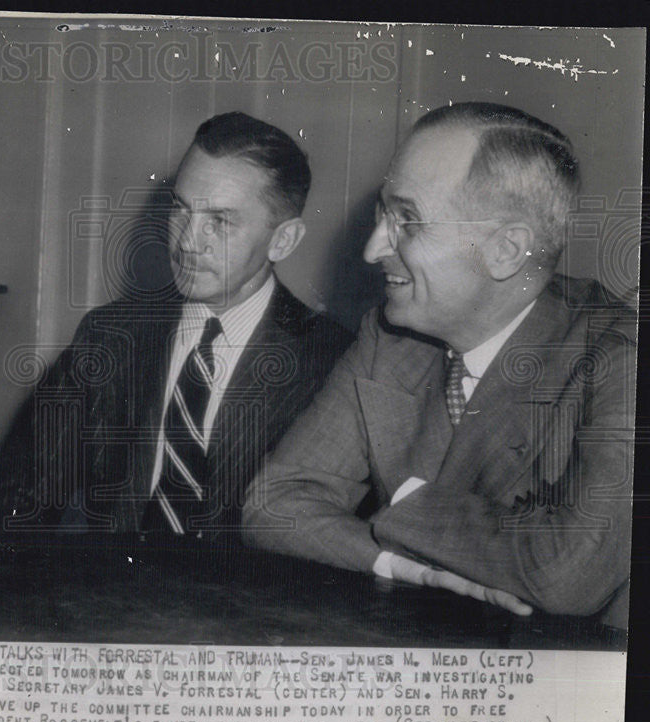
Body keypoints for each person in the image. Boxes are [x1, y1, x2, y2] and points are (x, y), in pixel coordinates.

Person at [243, 102, 634, 627]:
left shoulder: (622, 357)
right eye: (384, 213)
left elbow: (567, 576)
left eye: (408, 220)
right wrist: (406, 567)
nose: (373, 247)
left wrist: (407, 501)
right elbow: (275, 504)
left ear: (504, 251)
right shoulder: (390, 338)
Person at [0, 112, 353, 545]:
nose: (187, 241)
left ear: (283, 241)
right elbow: (14, 503)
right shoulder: (109, 336)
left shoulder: (331, 362)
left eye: (219, 222)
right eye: (180, 208)